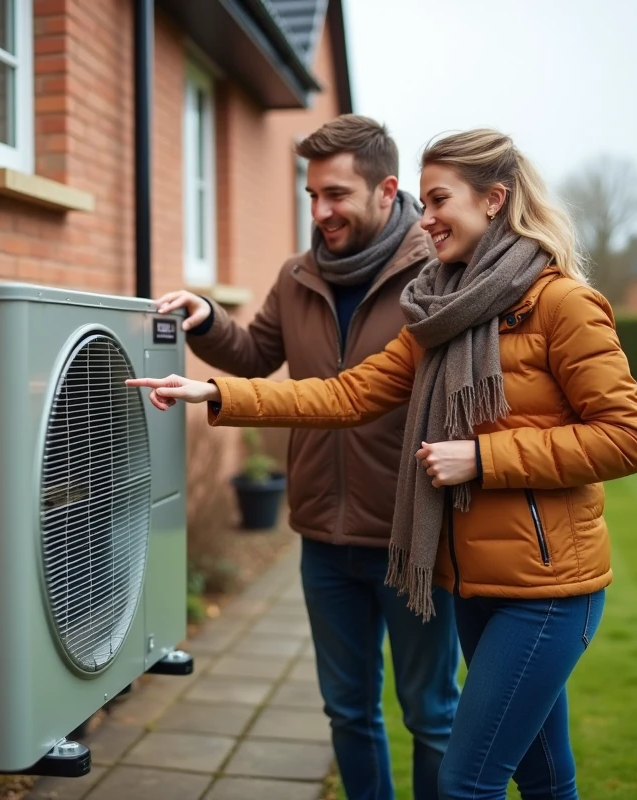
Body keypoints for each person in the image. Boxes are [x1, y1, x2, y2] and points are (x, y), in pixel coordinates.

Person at [131, 129, 637, 800]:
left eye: (440, 199)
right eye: (424, 198)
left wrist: (484, 457)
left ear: (494, 201)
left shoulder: (562, 304)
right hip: (474, 587)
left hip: (550, 593)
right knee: (548, 780)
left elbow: (627, 437)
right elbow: (349, 393)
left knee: (466, 782)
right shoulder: (441, 312)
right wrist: (217, 392)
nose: (425, 214)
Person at [154, 114, 459, 800]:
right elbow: (258, 355)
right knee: (348, 712)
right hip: (323, 536)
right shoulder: (298, 277)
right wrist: (207, 317)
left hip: (412, 536)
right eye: (312, 196)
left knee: (431, 716)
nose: (320, 212)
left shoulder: (440, 271)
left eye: (337, 195)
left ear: (387, 190)